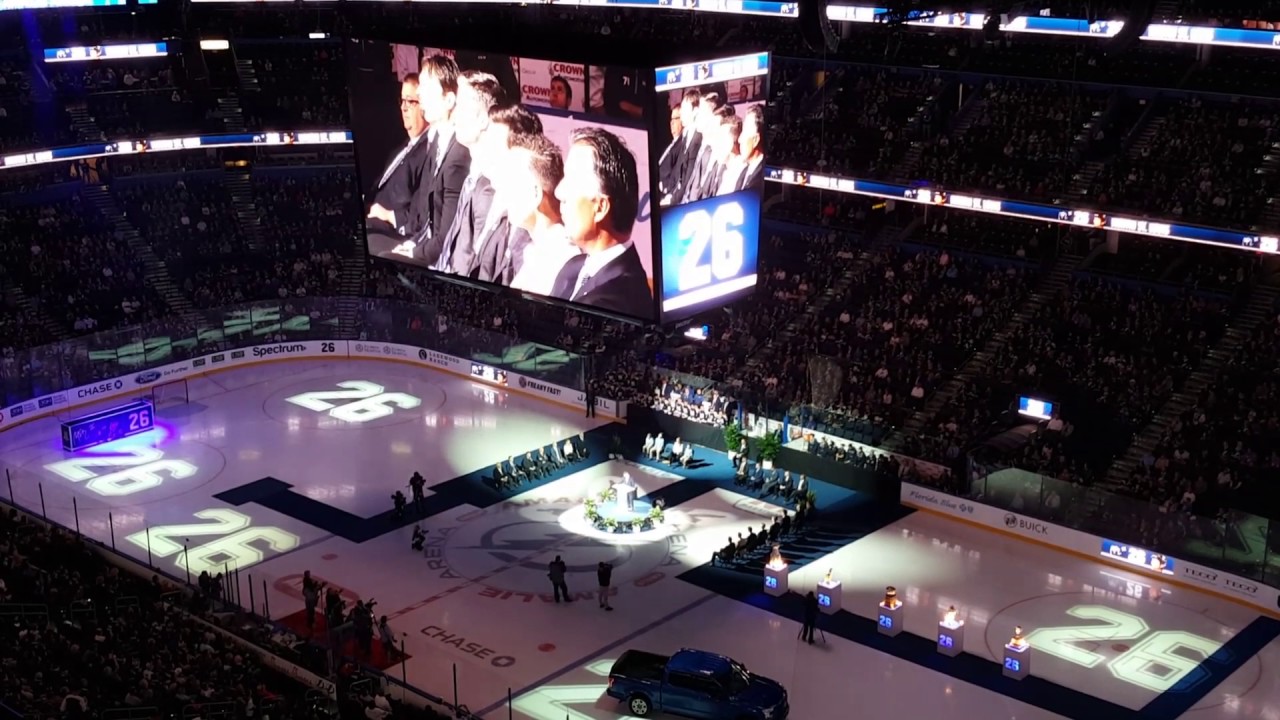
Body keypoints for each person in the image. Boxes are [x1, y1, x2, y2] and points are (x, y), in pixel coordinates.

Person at [549, 127, 652, 317]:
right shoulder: (573, 267)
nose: (558, 192)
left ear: (600, 207)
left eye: (571, 180)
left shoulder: (616, 303)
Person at [379, 55, 469, 267]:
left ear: (449, 100)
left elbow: (445, 238)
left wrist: (413, 253)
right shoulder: (437, 143)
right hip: (420, 243)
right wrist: (412, 244)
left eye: (426, 86)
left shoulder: (458, 156)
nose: (419, 93)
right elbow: (424, 218)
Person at [431, 71, 506, 276]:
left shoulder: (490, 188)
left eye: (461, 107)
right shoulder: (474, 174)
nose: (454, 116)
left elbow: (475, 267)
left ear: (483, 119)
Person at [365, 74, 432, 248]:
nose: (403, 108)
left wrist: (389, 215)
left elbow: (422, 211)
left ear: (425, 105)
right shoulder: (400, 149)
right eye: (402, 100)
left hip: (392, 232)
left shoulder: (428, 152)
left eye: (410, 101)